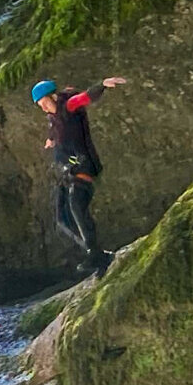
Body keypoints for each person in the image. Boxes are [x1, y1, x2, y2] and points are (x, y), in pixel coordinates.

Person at [33, 76, 127, 276]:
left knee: (77, 207)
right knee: (62, 219)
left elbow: (85, 98)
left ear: (53, 97)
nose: (43, 108)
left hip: (83, 168)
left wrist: (102, 85)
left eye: (44, 103)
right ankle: (96, 253)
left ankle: (96, 254)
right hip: (68, 172)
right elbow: (54, 131)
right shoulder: (54, 119)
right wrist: (51, 140)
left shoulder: (68, 107)